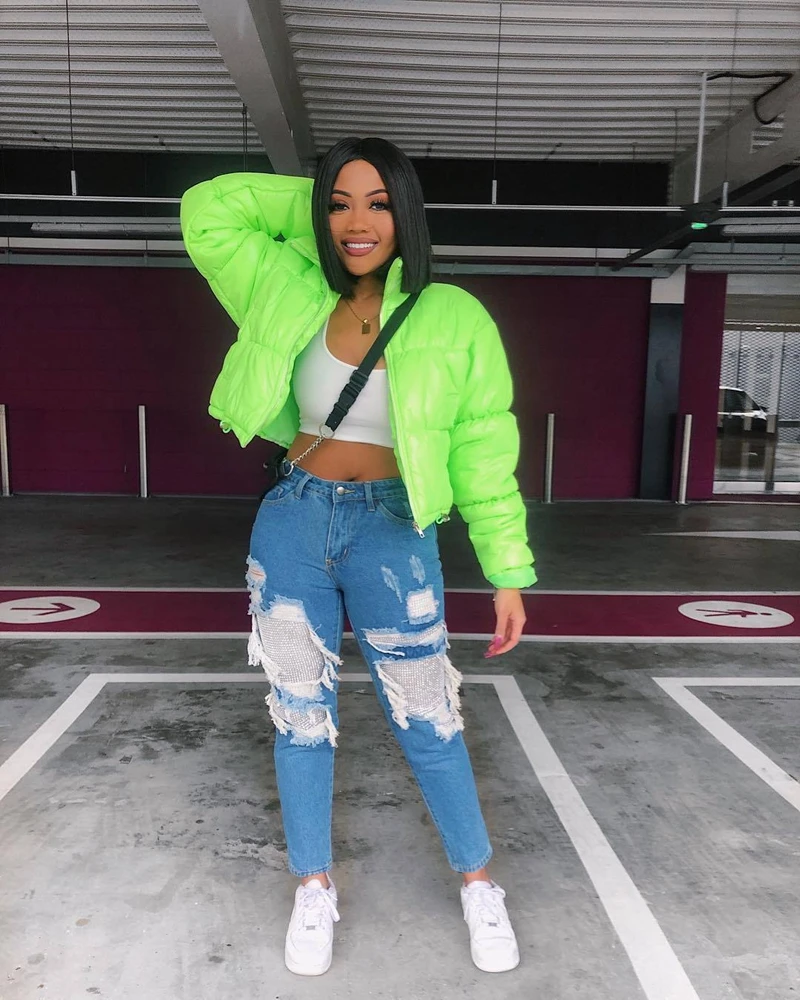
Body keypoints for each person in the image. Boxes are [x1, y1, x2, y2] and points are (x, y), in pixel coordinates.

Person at [180, 137, 536, 977]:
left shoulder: (453, 315)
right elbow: (208, 210)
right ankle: (313, 886)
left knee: (429, 717)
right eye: (339, 204)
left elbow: (484, 444)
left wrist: (507, 569)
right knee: (300, 715)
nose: (356, 222)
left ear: (407, 212)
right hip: (294, 523)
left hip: (394, 528)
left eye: (379, 203)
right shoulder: (283, 284)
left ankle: (478, 882)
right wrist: (314, 209)